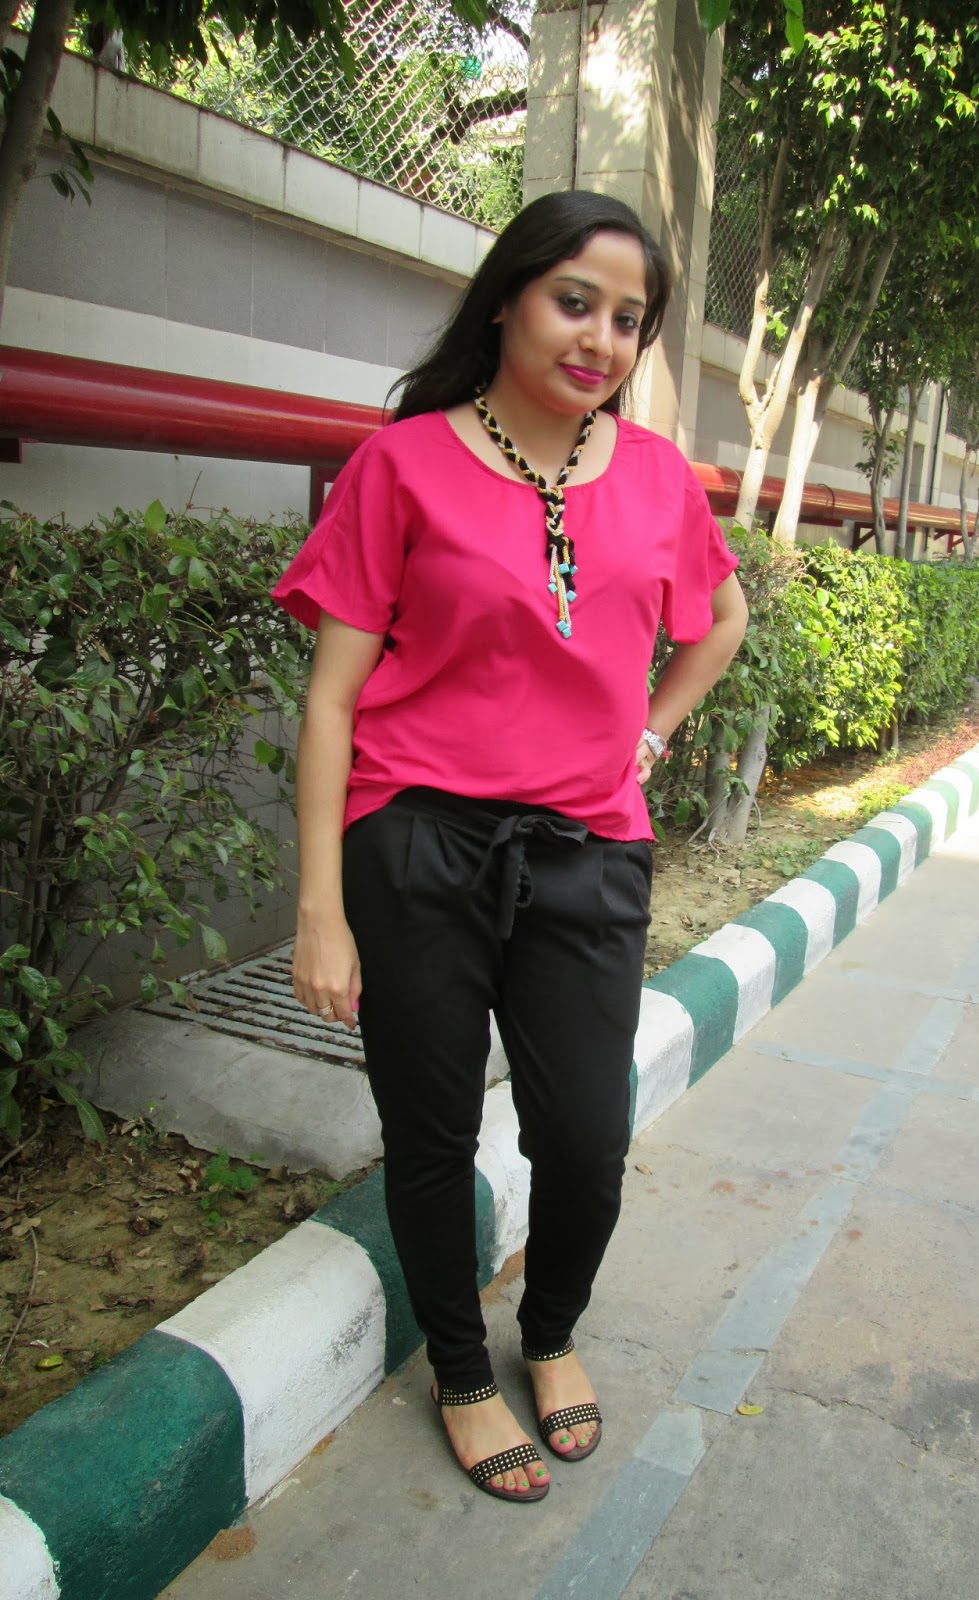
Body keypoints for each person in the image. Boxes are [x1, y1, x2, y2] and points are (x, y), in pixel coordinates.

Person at [272, 189, 748, 1505]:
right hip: (417, 844)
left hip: (589, 851)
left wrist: (649, 731)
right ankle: (461, 1371)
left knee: (586, 1136)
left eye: (629, 320)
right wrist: (322, 906)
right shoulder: (403, 466)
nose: (601, 339)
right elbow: (330, 701)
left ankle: (549, 1333)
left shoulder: (656, 478)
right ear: (506, 302)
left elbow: (721, 619)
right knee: (430, 1136)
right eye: (574, 302)